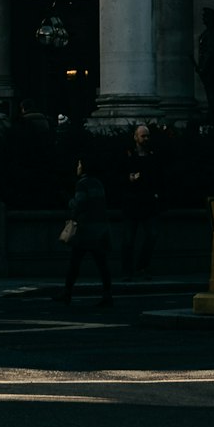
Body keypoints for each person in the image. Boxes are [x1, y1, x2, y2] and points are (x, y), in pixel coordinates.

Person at [58, 159, 114, 307]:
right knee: (102, 264)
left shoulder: (82, 184)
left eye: (79, 165)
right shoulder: (98, 183)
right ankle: (107, 294)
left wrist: (69, 201)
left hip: (85, 230)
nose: (77, 167)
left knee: (74, 263)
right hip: (100, 229)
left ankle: (67, 292)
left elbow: (79, 204)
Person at [118, 126, 161, 274]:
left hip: (148, 201)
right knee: (128, 240)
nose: (146, 139)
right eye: (143, 136)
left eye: (147, 136)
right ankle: (127, 270)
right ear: (136, 137)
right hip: (132, 202)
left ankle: (142, 266)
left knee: (152, 236)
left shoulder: (152, 155)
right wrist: (128, 178)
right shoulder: (128, 155)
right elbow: (118, 175)